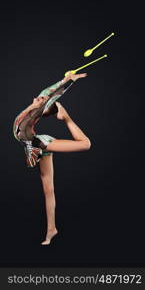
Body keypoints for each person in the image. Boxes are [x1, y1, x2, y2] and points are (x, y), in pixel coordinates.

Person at [13, 71, 91, 245]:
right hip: (35, 147)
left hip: (42, 143)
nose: (38, 98)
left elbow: (49, 93)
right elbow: (47, 94)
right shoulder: (30, 114)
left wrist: (67, 80)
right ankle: (51, 230)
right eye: (38, 101)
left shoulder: (31, 113)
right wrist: (67, 80)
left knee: (86, 144)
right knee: (48, 190)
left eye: (41, 102)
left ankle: (65, 117)